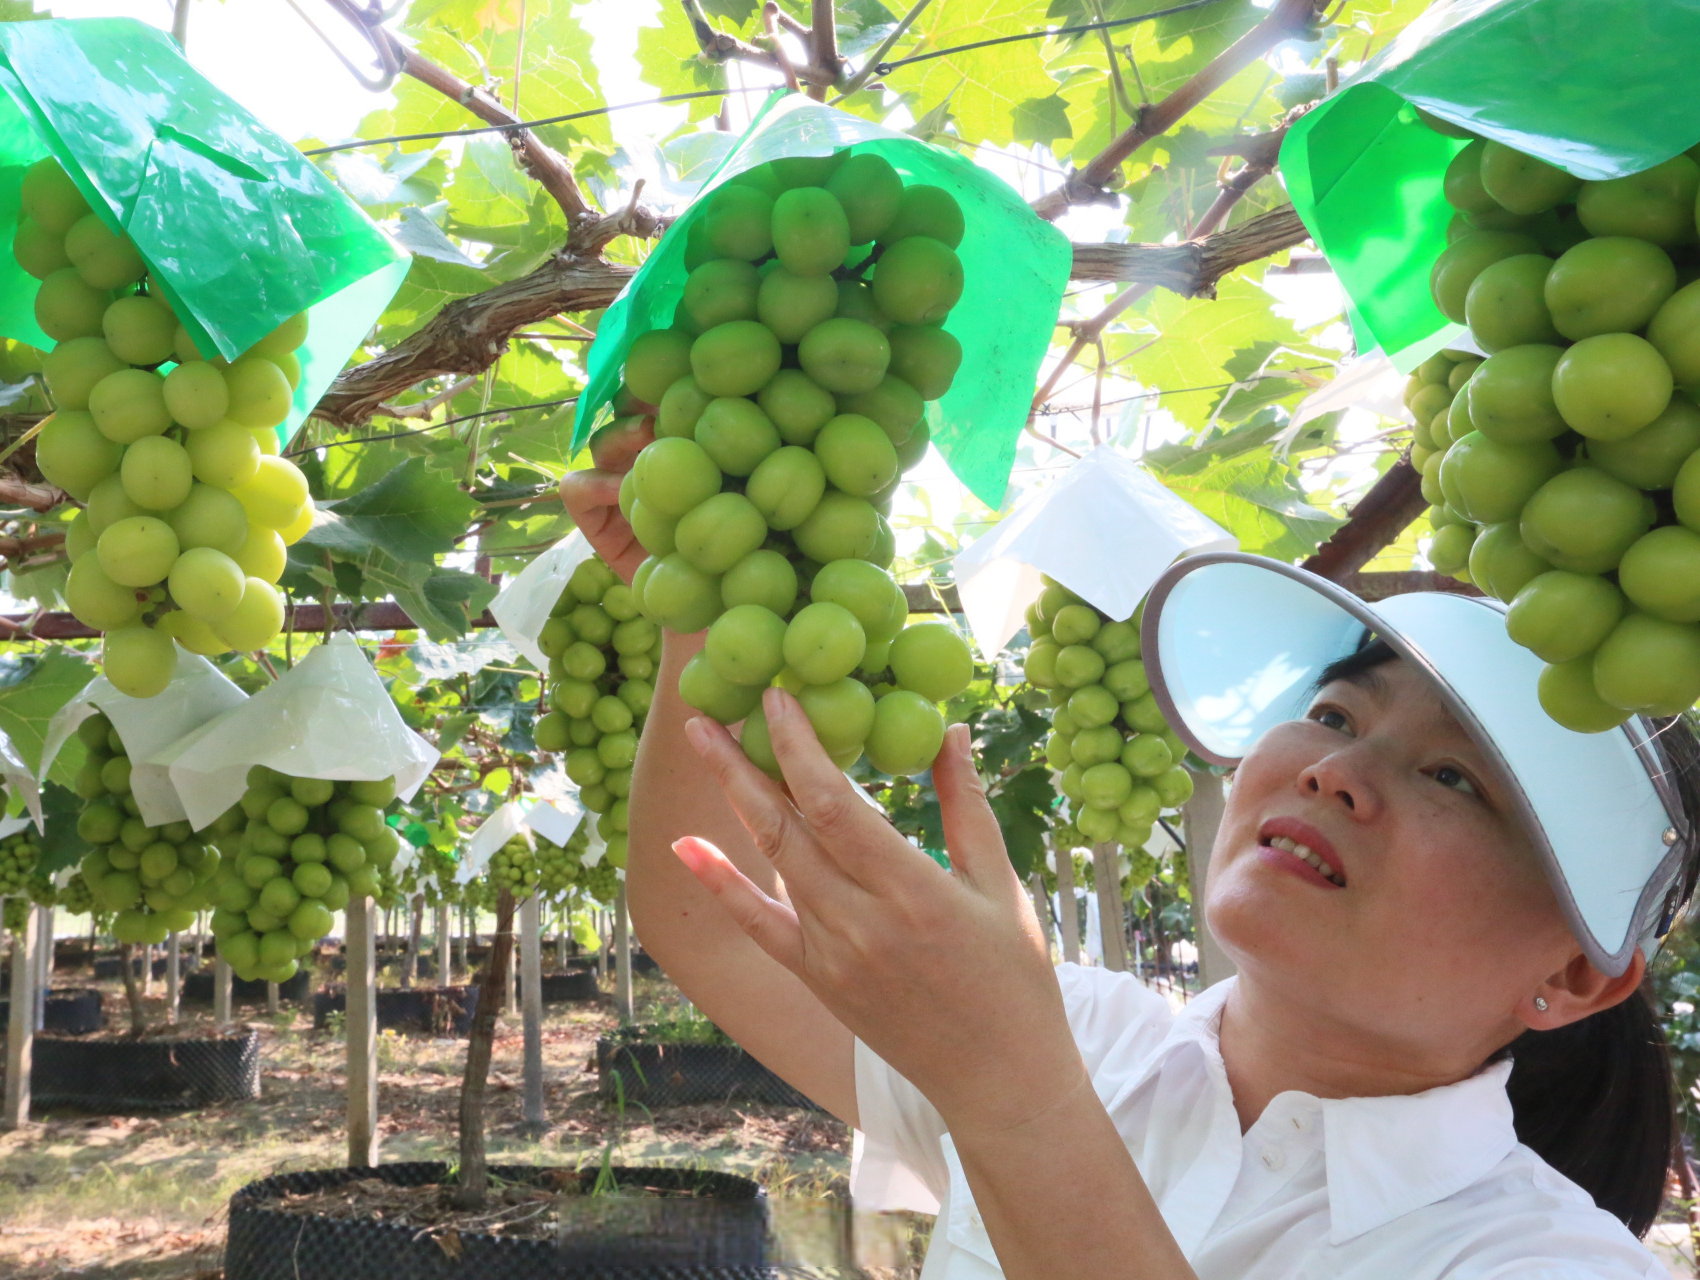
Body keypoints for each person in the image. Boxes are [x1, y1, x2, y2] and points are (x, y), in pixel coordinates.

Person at [563, 440, 1699, 1279]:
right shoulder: (1085, 1035)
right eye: (1339, 714)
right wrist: (704, 603)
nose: (1334, 772)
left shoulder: (1550, 1262)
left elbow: (1011, 1078)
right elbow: (709, 911)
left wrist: (1016, 1101)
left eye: (1457, 779)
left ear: (1576, 978)